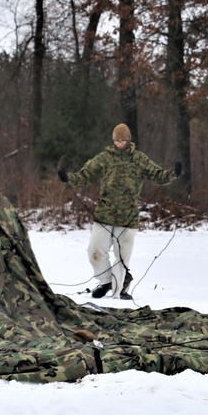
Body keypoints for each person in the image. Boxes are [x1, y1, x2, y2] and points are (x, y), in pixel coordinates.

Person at [58, 123, 181, 299]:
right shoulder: (104, 158)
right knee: (94, 252)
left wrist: (174, 173)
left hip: (128, 216)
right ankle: (106, 281)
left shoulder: (139, 159)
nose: (120, 144)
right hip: (104, 214)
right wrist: (68, 178)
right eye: (117, 141)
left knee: (122, 257)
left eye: (123, 141)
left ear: (128, 140)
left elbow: (158, 175)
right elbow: (85, 175)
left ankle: (119, 290)